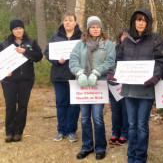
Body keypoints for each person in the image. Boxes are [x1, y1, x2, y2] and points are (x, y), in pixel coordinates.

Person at [107, 8, 163, 163]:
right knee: (131, 124)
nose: (141, 23)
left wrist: (155, 76)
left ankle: (140, 157)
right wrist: (112, 72)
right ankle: (131, 156)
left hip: (146, 88)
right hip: (128, 88)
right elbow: (118, 59)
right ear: (134, 22)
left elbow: (161, 60)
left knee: (141, 125)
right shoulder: (126, 40)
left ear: (148, 22)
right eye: (138, 19)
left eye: (144, 20)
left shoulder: (155, 39)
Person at [69, 16, 115, 160]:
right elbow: (73, 60)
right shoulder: (80, 44)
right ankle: (87, 146)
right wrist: (79, 72)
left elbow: (110, 61)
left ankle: (100, 147)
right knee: (84, 118)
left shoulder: (107, 44)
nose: (95, 29)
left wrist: (97, 72)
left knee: (97, 117)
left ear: (101, 28)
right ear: (88, 29)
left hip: (98, 85)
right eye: (92, 27)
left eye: (98, 27)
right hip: (82, 86)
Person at [0, 19, 43, 142]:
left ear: (23, 29)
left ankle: (19, 132)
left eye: (20, 28)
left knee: (23, 106)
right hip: (9, 81)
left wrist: (26, 51)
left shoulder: (30, 42)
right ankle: (9, 132)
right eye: (15, 29)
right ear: (11, 31)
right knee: (10, 105)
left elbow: (38, 57)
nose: (18, 31)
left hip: (26, 80)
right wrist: (3, 71)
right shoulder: (4, 44)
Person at [44, 12, 81, 143]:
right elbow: (47, 52)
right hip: (58, 75)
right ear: (63, 22)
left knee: (74, 104)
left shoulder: (82, 37)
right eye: (65, 20)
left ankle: (71, 131)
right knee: (61, 103)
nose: (68, 22)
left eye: (70, 20)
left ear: (75, 22)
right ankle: (61, 130)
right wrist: (56, 60)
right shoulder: (55, 37)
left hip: (75, 76)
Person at [108, 28, 129, 146]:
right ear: (119, 37)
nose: (125, 38)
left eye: (127, 36)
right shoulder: (112, 48)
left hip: (125, 85)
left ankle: (124, 133)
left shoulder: (132, 49)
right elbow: (108, 63)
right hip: (113, 85)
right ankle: (115, 132)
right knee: (115, 111)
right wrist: (111, 74)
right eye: (123, 35)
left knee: (125, 111)